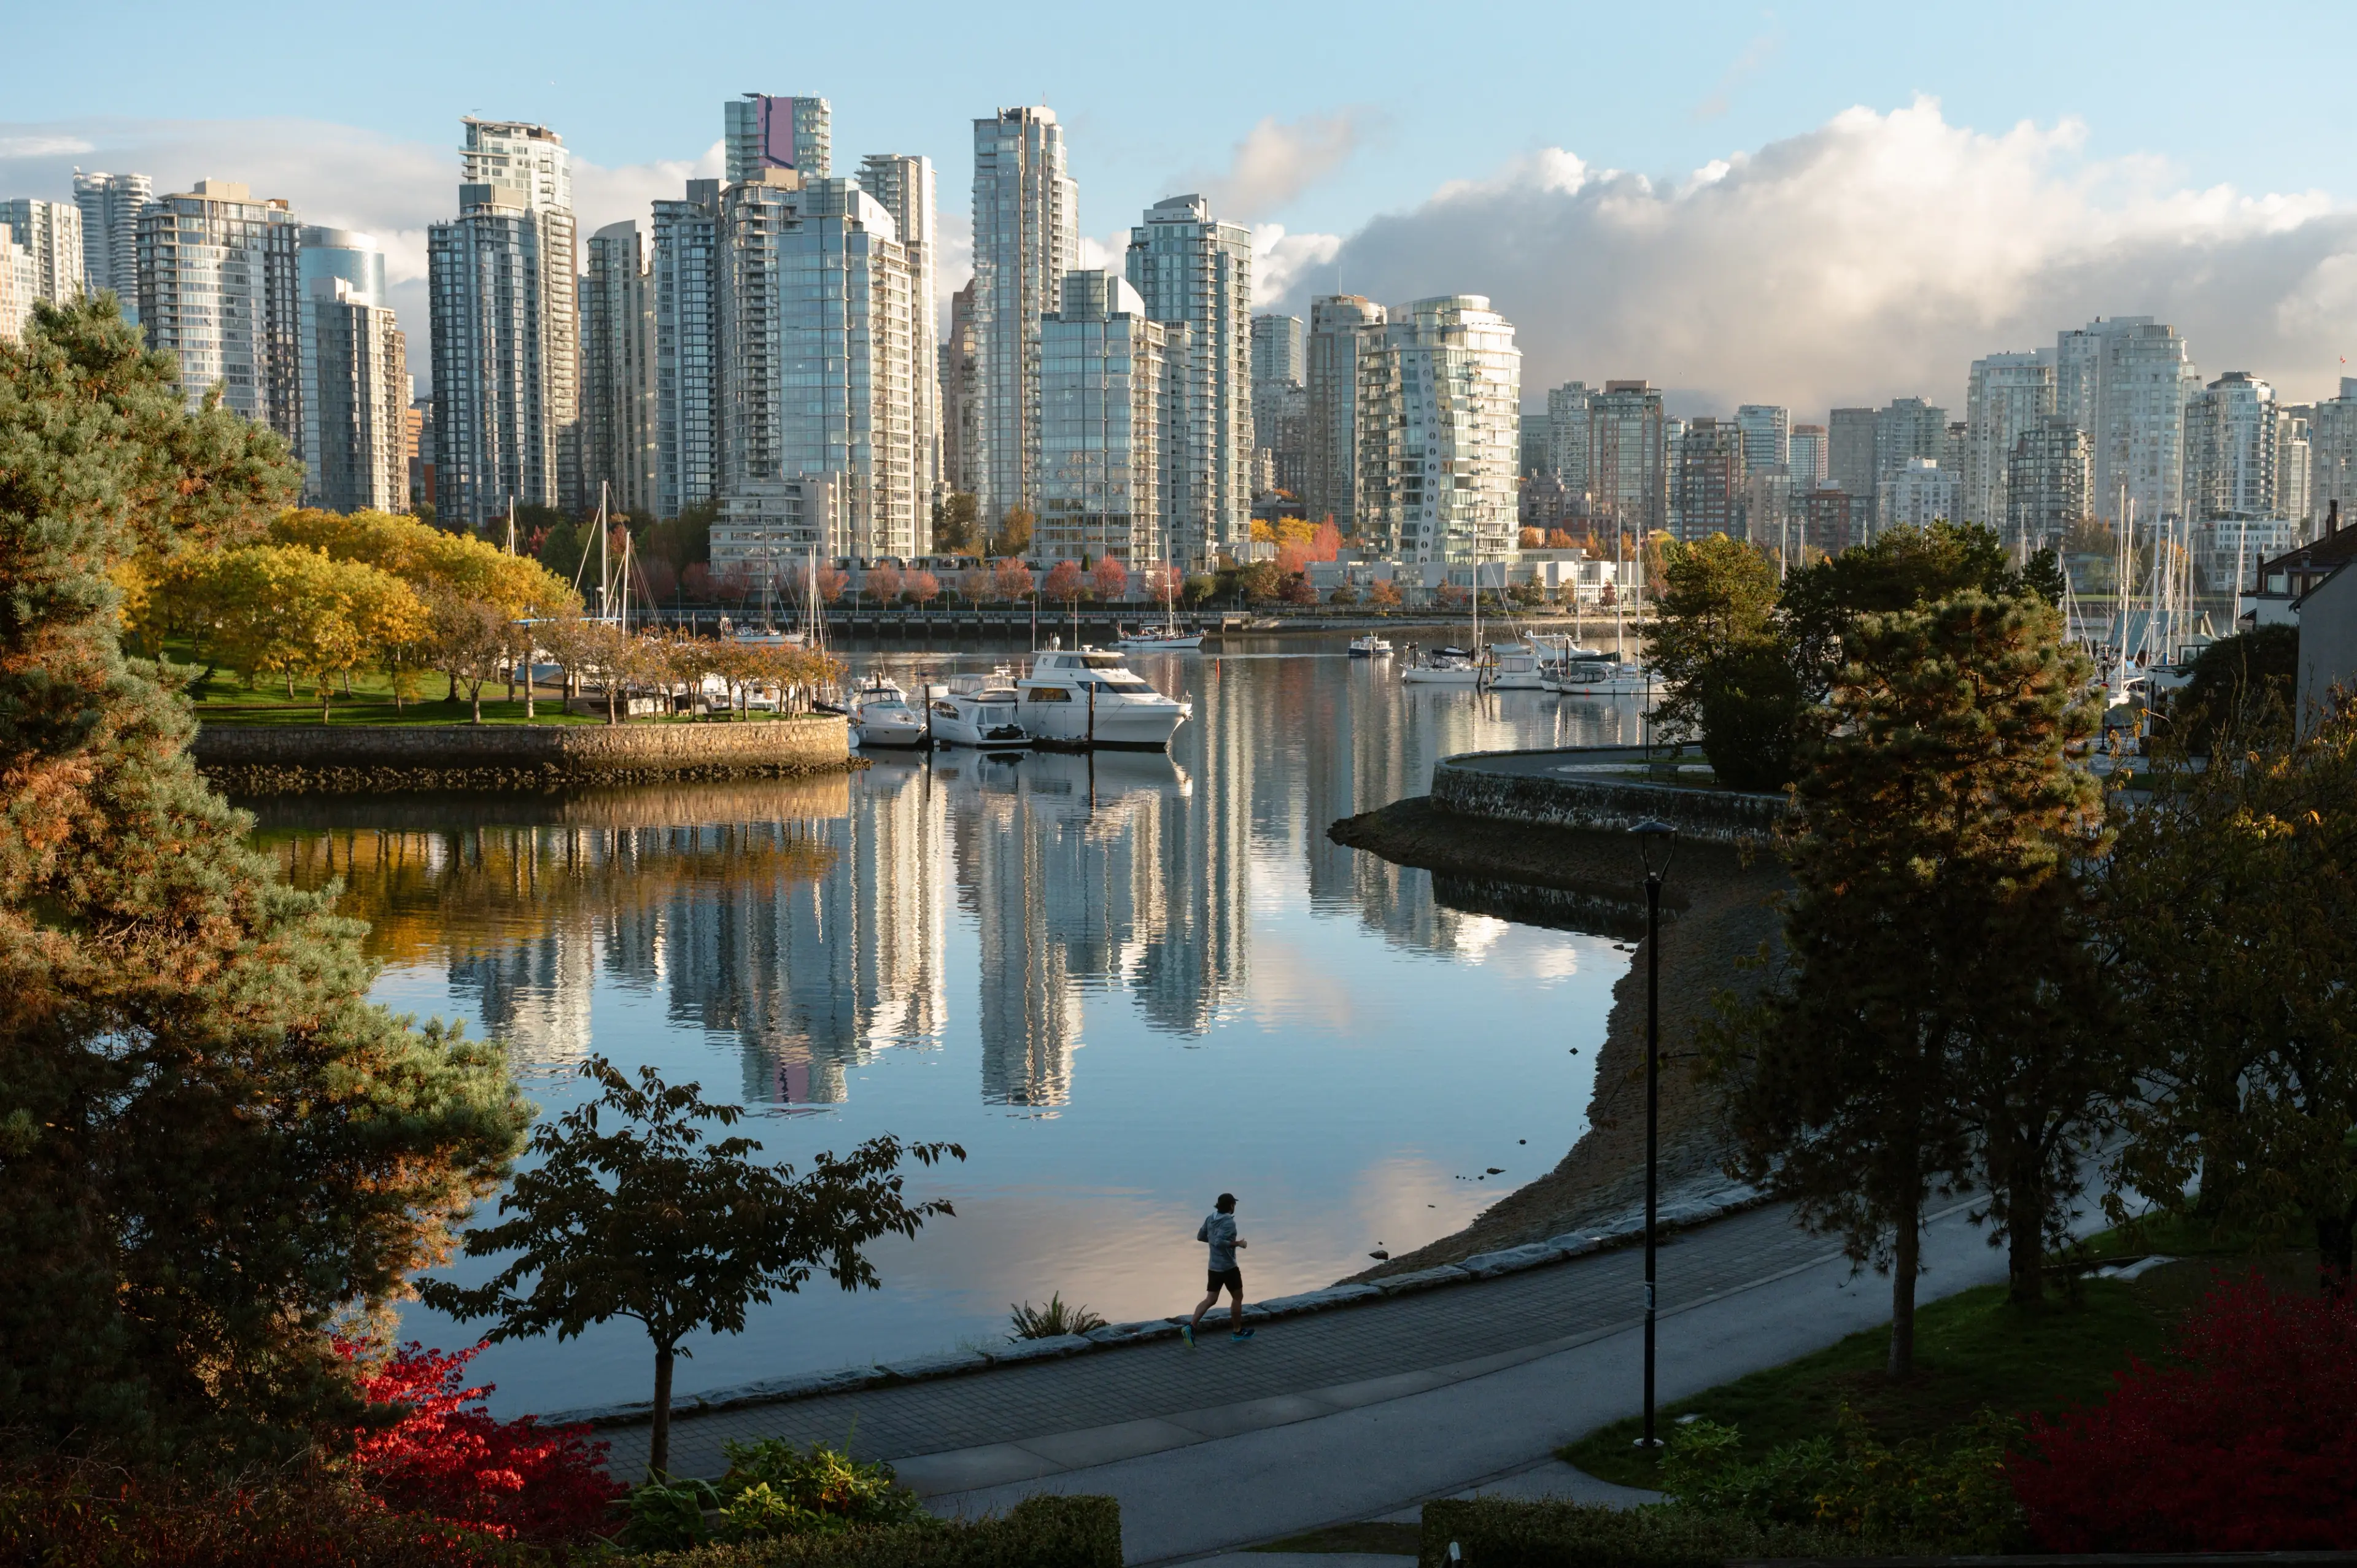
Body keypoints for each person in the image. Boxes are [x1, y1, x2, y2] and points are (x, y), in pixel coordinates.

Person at [1183, 1192, 1251, 1346]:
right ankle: (1237, 1331)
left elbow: (1201, 1236)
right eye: (1234, 1204)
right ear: (1231, 1206)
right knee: (1238, 1297)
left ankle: (1191, 1326)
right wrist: (1238, 1244)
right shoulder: (1228, 1222)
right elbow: (1220, 1242)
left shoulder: (1210, 1218)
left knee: (1211, 1299)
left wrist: (1213, 1241)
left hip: (1213, 1267)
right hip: (1228, 1267)